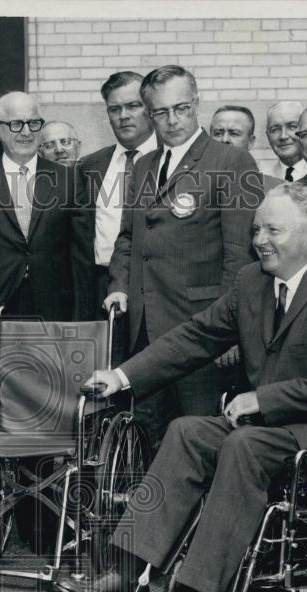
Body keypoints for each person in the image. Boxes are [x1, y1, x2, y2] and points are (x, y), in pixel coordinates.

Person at [57, 183, 307, 592]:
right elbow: (196, 337)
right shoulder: (251, 282)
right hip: (259, 427)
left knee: (242, 444)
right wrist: (122, 376)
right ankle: (126, 572)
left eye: (274, 229)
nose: (260, 239)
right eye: (256, 229)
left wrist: (266, 400)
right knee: (188, 431)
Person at [106, 65, 260, 448]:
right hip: (144, 331)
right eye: (160, 112)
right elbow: (128, 238)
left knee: (198, 441)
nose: (171, 120)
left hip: (202, 333)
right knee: (148, 440)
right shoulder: (142, 166)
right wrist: (120, 284)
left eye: (181, 108)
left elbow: (240, 257)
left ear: (197, 104)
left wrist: (230, 332)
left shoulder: (231, 162)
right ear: (148, 113)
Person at [0, 90, 93, 367]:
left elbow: (81, 259)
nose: (26, 132)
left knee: (51, 396)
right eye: (16, 124)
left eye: (33, 123)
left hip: (53, 311)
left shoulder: (70, 181)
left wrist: (80, 324)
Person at [77, 71, 158, 327]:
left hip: (154, 287)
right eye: (115, 109)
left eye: (133, 106)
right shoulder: (89, 165)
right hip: (99, 286)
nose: (123, 116)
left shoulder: (172, 160)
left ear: (150, 108)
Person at [264, 101, 307, 182]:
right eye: (275, 129)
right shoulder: (262, 180)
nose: (283, 136)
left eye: (292, 127)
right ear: (268, 136)